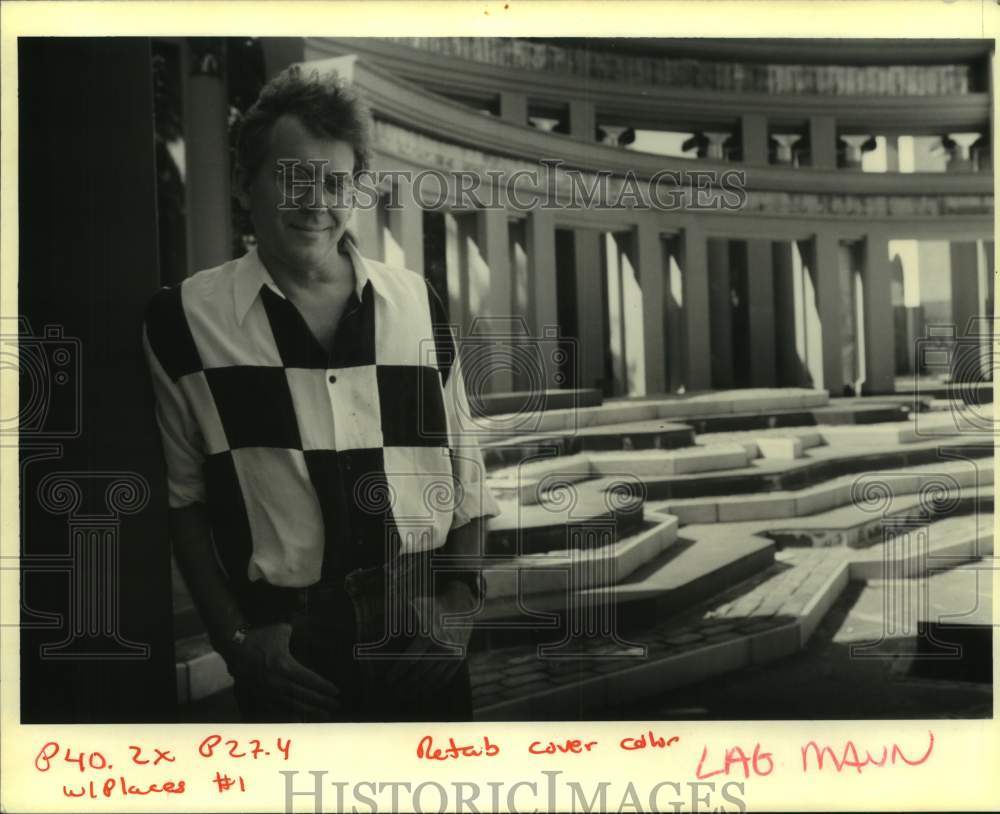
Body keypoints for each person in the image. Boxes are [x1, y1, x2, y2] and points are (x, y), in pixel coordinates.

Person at [142, 65, 500, 722]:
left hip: (419, 632)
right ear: (244, 185)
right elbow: (184, 503)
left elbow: (467, 473)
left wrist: (456, 608)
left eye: (336, 181)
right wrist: (236, 639)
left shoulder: (418, 303)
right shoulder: (183, 323)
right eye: (291, 176)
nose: (316, 200)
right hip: (291, 654)